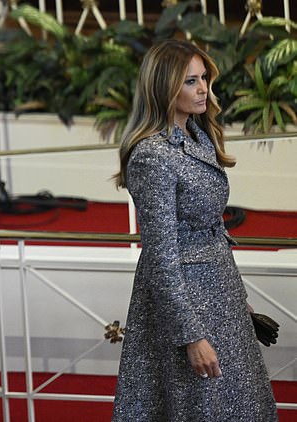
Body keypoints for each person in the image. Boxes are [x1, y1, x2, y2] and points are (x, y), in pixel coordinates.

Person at [111, 39, 277, 420]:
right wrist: (191, 335)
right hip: (185, 304)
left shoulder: (197, 135)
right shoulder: (153, 155)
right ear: (163, 87)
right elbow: (161, 257)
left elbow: (211, 232)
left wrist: (236, 298)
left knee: (236, 403)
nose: (203, 88)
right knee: (200, 407)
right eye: (190, 81)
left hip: (218, 294)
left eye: (204, 78)